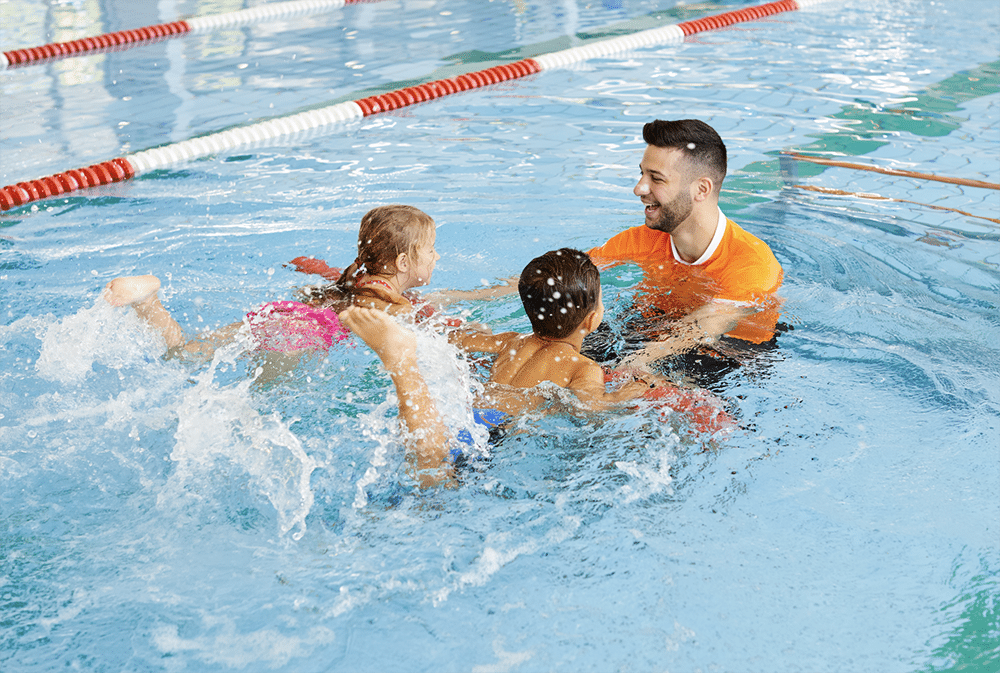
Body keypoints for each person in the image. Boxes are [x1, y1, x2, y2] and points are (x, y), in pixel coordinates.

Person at [338, 248, 660, 487]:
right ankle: (401, 361)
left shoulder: (511, 341)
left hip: (468, 418)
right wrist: (636, 390)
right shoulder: (583, 368)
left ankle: (402, 361)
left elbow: (456, 340)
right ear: (592, 319)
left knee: (425, 457)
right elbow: (592, 408)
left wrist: (478, 334)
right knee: (434, 488)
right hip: (493, 435)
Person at [102, 204, 443, 374]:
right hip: (300, 337)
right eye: (430, 249)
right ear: (403, 263)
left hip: (285, 316)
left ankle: (149, 301)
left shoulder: (351, 284)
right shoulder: (398, 308)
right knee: (256, 412)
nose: (436, 256)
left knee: (183, 355)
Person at [587, 119, 785, 383]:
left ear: (701, 189)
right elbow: (566, 274)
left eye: (655, 179)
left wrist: (627, 367)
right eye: (642, 174)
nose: (639, 189)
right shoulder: (642, 240)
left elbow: (704, 328)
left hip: (729, 356)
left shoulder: (753, 263)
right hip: (655, 327)